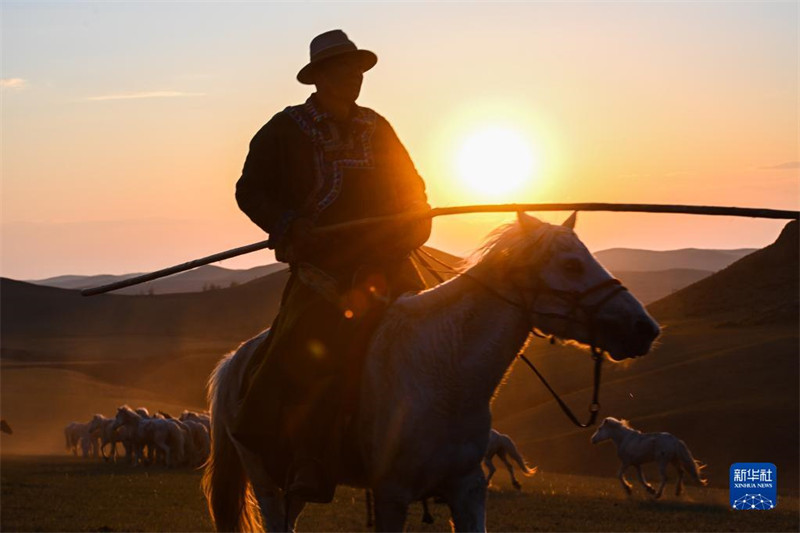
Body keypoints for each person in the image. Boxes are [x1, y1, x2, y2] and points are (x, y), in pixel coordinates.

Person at [230, 29, 432, 504]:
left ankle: (436, 456)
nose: (355, 77)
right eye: (344, 69)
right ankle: (310, 458)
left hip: (386, 262)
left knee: (431, 337)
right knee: (312, 351)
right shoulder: (286, 129)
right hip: (324, 271)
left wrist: (414, 221)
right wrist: (288, 224)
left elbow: (412, 186)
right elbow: (249, 190)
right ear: (319, 76)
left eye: (359, 69)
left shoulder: (378, 127)